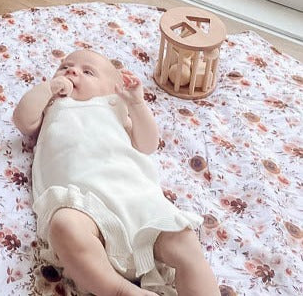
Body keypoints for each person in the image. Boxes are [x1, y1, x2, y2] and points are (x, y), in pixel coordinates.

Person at [13, 49, 220, 296]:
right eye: (65, 67)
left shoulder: (115, 108)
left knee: (185, 243)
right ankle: (120, 291)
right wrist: (49, 88)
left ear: (113, 89)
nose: (72, 71)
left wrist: (137, 104)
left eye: (87, 71)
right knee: (63, 225)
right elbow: (22, 120)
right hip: (85, 205)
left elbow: (147, 144)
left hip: (139, 200)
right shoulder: (52, 106)